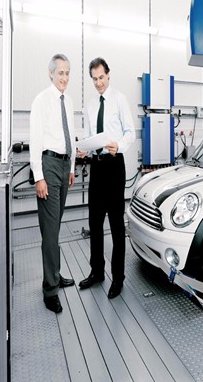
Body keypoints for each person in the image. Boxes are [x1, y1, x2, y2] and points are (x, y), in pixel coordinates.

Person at [78, 57, 135, 299]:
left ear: (108, 75)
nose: (98, 83)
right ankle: (97, 272)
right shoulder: (91, 105)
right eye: (94, 79)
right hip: (97, 166)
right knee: (94, 222)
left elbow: (130, 132)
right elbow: (90, 135)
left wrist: (118, 145)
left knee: (116, 225)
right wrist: (85, 149)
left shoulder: (120, 100)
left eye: (101, 77)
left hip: (114, 165)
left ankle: (118, 278)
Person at [30, 53, 76, 313]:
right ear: (50, 73)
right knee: (49, 231)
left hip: (64, 165)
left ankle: (55, 275)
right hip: (48, 165)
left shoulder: (68, 101)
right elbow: (36, 139)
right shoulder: (42, 100)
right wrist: (39, 176)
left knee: (55, 227)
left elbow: (70, 135)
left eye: (67, 73)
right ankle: (50, 289)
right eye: (60, 73)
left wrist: (71, 167)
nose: (64, 78)